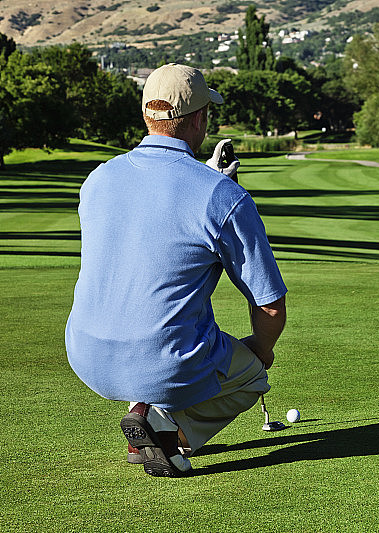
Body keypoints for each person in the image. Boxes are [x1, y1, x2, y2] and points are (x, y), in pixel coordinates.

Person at [65, 63, 287, 477]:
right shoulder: (223, 196)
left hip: (85, 354)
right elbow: (270, 305)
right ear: (201, 118)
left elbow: (151, 221)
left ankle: (144, 411)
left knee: (152, 329)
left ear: (146, 114)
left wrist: (208, 178)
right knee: (253, 372)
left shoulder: (97, 178)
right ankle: (166, 430)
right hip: (161, 359)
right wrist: (262, 351)